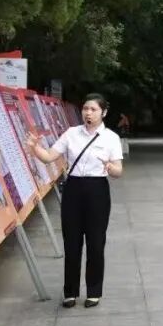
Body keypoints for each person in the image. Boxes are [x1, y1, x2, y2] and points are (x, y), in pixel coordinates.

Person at [26, 93, 124, 308]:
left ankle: (94, 292)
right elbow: (49, 156)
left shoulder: (111, 138)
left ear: (103, 113)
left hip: (97, 190)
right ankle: (70, 292)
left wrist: (110, 167)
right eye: (85, 109)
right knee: (71, 242)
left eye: (93, 109)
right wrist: (34, 148)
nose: (88, 113)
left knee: (96, 242)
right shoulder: (71, 134)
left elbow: (118, 171)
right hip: (73, 189)